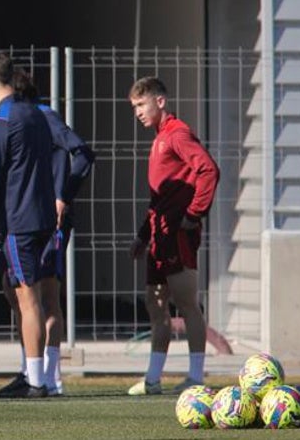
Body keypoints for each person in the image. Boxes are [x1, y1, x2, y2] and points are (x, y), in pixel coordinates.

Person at [0, 69, 95, 397]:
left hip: (48, 220)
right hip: (25, 217)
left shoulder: (42, 116)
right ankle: (30, 370)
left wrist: (63, 195)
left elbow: (82, 152)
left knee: (46, 296)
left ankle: (50, 378)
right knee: (17, 292)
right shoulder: (15, 120)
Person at [127, 76, 219, 395]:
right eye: (134, 107)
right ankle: (153, 379)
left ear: (160, 102)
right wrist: (142, 235)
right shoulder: (159, 139)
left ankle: (196, 376)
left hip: (177, 234)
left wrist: (193, 214)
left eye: (141, 105)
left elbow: (208, 170)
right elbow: (158, 198)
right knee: (155, 306)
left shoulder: (177, 134)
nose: (137, 112)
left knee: (185, 302)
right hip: (158, 235)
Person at [0, 52, 57, 399]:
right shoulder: (37, 115)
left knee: (29, 299)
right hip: (42, 218)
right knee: (15, 291)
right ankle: (29, 371)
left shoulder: (0, 123)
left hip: (19, 222)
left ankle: (38, 382)